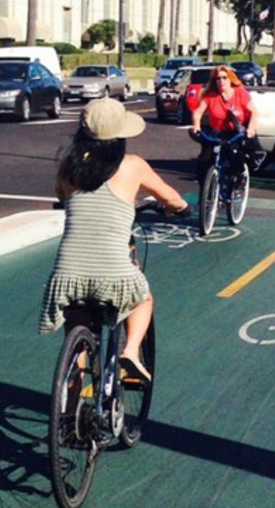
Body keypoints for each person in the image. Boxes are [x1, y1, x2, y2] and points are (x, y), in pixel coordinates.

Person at [39, 98, 188, 384]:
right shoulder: (132, 165)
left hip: (67, 276)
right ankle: (130, 352)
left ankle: (70, 410)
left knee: (76, 330)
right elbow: (171, 198)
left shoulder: (70, 166)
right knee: (143, 298)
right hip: (113, 276)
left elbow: (62, 195)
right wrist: (180, 207)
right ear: (120, 136)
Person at [190, 65, 264, 177]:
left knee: (236, 157)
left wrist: (251, 129)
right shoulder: (210, 97)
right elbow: (198, 112)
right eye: (218, 78)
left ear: (230, 79)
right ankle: (206, 185)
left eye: (225, 78)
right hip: (219, 132)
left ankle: (238, 181)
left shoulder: (239, 92)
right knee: (204, 161)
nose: (221, 81)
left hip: (237, 131)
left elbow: (254, 112)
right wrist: (196, 125)